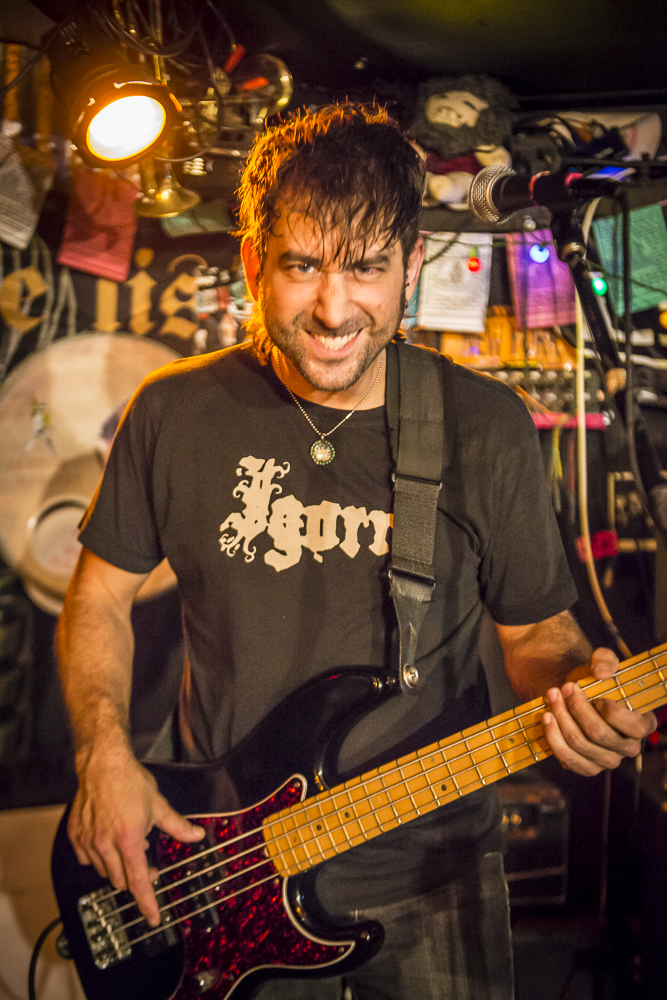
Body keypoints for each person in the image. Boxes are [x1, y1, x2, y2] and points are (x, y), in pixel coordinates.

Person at [56, 104, 655, 1000]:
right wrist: (102, 752)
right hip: (218, 871)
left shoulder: (483, 425)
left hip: (434, 874)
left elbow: (538, 637)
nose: (334, 311)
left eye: (367, 268)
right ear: (254, 263)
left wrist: (578, 698)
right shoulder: (174, 410)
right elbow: (98, 597)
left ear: (413, 263)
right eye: (301, 266)